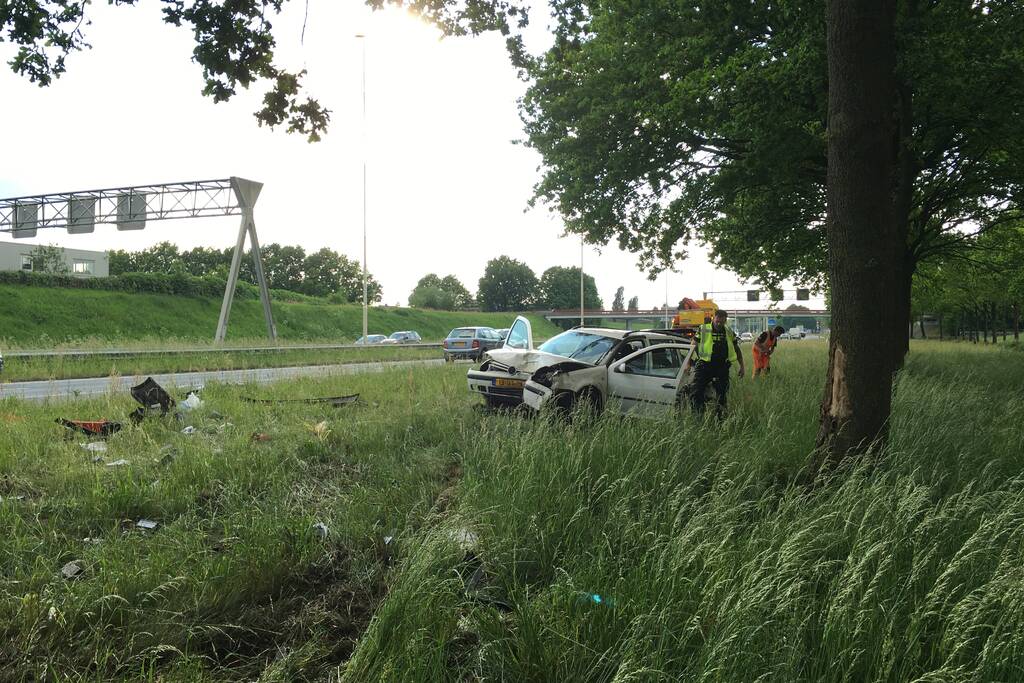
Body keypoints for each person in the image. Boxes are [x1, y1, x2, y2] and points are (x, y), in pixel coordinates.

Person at [684, 309, 744, 416]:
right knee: (696, 391)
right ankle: (698, 416)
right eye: (717, 321)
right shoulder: (703, 329)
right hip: (704, 366)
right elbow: (692, 347)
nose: (719, 324)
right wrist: (688, 364)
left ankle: (720, 419)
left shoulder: (729, 331)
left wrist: (742, 366)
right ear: (713, 318)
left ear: (725, 321)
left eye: (722, 322)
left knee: (722, 394)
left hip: (722, 367)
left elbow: (737, 349)